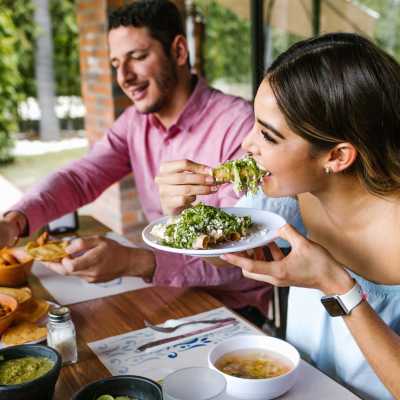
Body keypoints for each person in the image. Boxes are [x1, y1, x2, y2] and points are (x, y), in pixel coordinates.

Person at [0, 0, 272, 319]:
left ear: (180, 51)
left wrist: (135, 261)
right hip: (166, 291)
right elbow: (80, 177)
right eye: (116, 63)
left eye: (138, 57)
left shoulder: (238, 126)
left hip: (236, 311)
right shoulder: (134, 122)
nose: (124, 77)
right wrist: (15, 220)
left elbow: (246, 257)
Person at [217, 33, 400, 399]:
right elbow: (221, 241)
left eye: (268, 136)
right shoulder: (290, 198)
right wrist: (183, 207)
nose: (246, 144)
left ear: (337, 157)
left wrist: (337, 286)